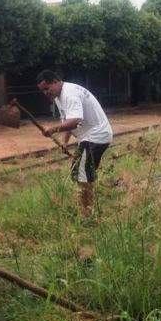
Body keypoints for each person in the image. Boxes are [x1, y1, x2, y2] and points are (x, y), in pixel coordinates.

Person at [36, 70, 113, 219]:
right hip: (89, 137)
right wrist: (65, 142)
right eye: (42, 90)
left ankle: (87, 214)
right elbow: (68, 123)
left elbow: (76, 120)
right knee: (78, 172)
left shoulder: (69, 94)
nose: (45, 93)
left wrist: (53, 129)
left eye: (47, 88)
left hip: (95, 136)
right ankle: (86, 207)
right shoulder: (59, 97)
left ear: (56, 81)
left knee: (82, 174)